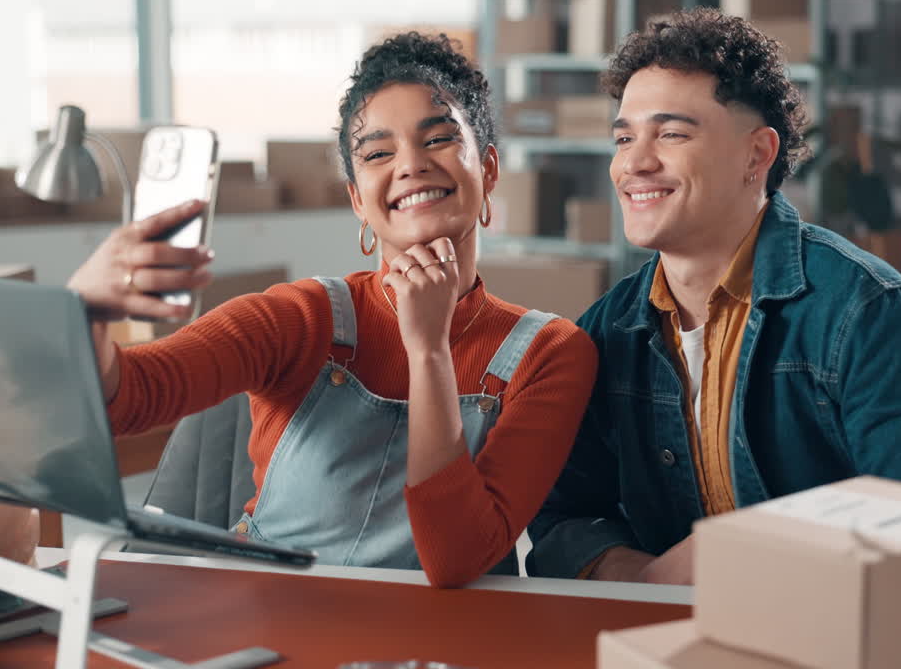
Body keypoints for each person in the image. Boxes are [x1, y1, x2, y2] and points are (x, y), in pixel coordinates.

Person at [66, 32, 597, 588]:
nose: (410, 166)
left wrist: (429, 349)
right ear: (357, 200)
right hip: (270, 611)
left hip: (438, 636)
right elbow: (127, 400)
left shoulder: (552, 353)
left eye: (437, 139)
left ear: (488, 171)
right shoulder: (299, 319)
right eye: (377, 153)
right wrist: (87, 315)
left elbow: (457, 559)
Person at [526, 8, 901, 585]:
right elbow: (562, 518)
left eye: (671, 133)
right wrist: (650, 578)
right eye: (624, 137)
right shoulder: (604, 329)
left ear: (757, 155)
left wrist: (746, 575)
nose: (634, 162)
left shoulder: (862, 308)